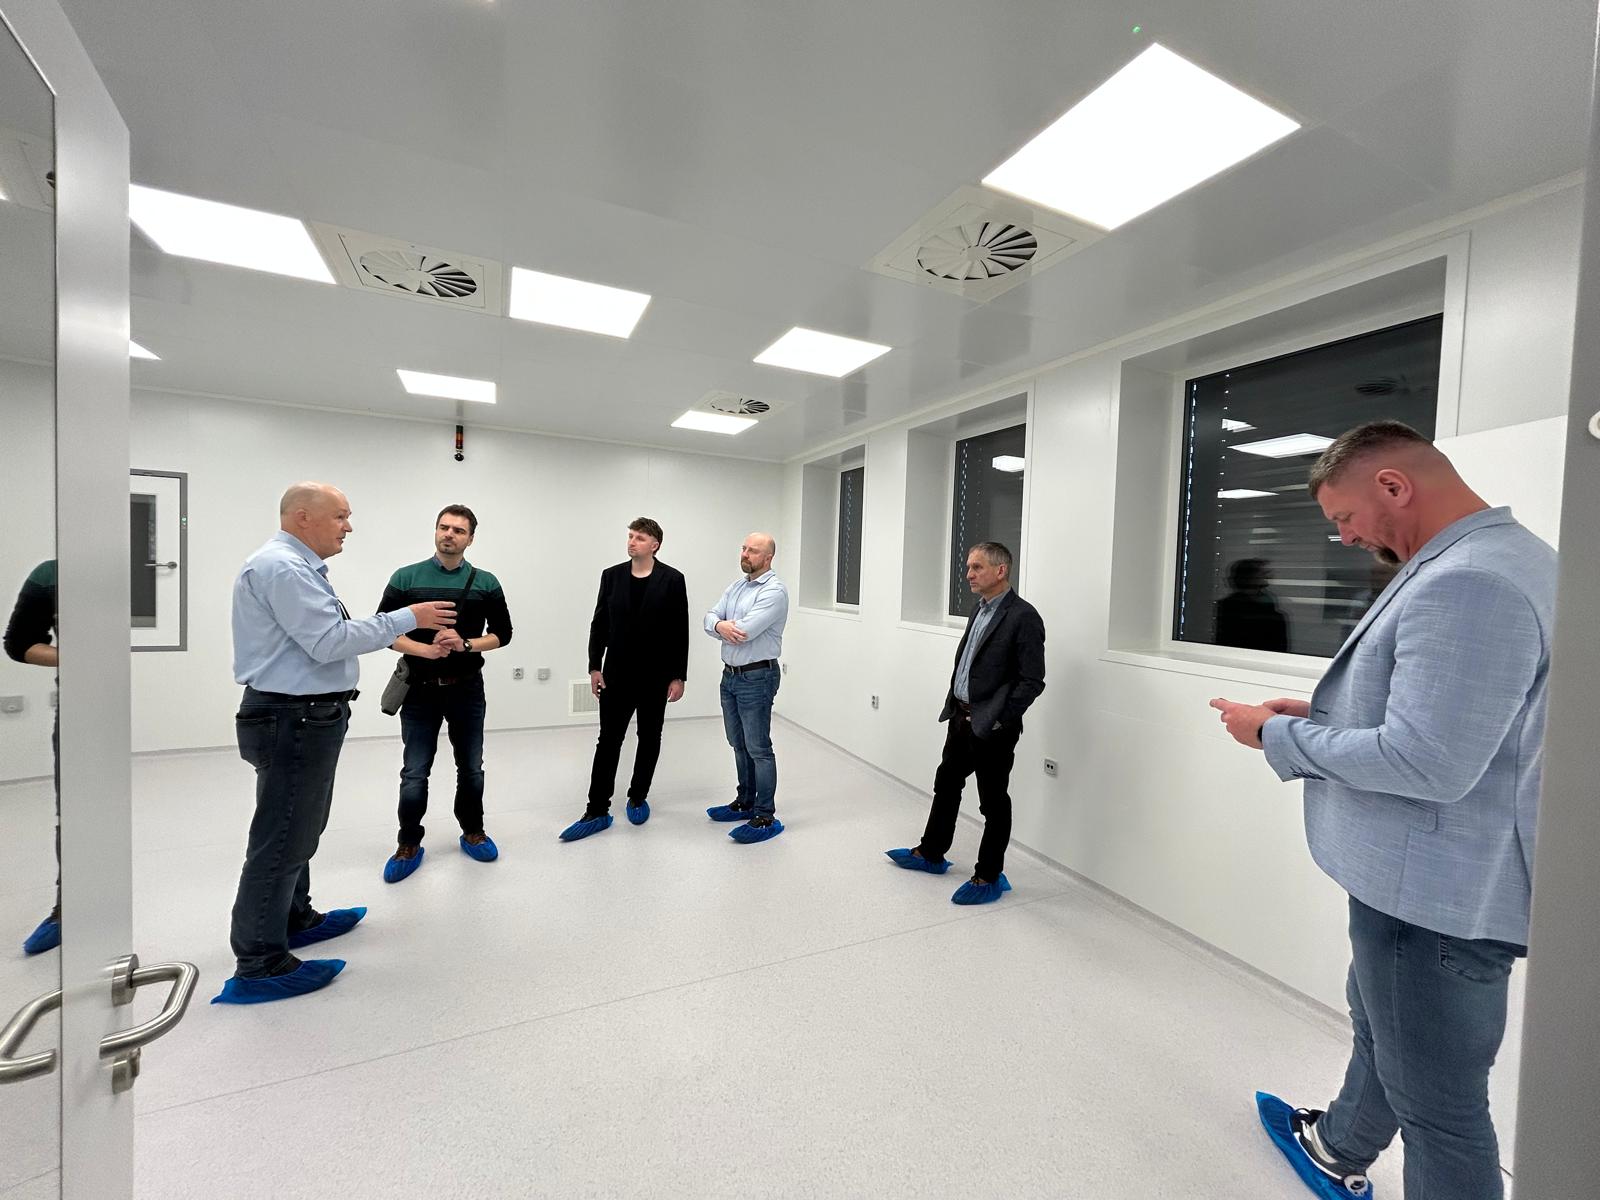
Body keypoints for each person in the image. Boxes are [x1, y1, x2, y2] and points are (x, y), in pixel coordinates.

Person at [1209, 421, 1556, 1200]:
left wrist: (1274, 735)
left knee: (1441, 1112)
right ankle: (1337, 1147)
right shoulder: (1506, 558)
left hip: (1433, 899)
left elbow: (1428, 764)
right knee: (1381, 1027)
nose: (1344, 537)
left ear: (1393, 486)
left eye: (1344, 517)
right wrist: (1322, 714)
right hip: (1430, 887)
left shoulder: (1473, 581)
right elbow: (1466, 729)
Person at [219, 482, 456, 1005]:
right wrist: (409, 618)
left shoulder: (297, 568)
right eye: (341, 517)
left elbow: (326, 636)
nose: (349, 527)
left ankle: (295, 918)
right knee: (283, 836)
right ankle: (259, 963)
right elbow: (328, 643)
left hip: (303, 716)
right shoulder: (282, 568)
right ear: (303, 517)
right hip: (293, 716)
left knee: (298, 828)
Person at [886, 542, 1046, 904]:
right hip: (960, 718)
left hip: (992, 727)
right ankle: (931, 853)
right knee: (946, 784)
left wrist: (1000, 719)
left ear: (1000, 570)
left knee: (993, 802)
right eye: (969, 566)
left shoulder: (1023, 616)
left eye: (977, 567)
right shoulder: (980, 609)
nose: (968, 574)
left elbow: (1032, 680)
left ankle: (988, 876)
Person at [377, 505, 514, 881]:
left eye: (458, 530)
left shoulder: (486, 582)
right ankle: (408, 842)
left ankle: (473, 831)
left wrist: (466, 644)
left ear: (471, 538)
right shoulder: (406, 578)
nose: (449, 534)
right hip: (418, 691)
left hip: (466, 689)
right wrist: (425, 650)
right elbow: (383, 629)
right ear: (436, 531)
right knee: (414, 771)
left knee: (471, 767)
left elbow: (502, 634)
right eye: (444, 527)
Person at [559, 517, 689, 842]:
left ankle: (637, 796)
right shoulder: (612, 576)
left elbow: (679, 631)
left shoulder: (673, 579)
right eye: (630, 536)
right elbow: (599, 623)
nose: (632, 542)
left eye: (640, 538)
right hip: (616, 674)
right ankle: (596, 809)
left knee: (649, 737)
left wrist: (678, 676)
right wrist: (594, 666)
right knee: (608, 740)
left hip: (656, 676)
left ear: (655, 545)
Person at [703, 533, 788, 843]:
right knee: (737, 743)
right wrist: (719, 625)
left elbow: (745, 632)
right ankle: (745, 801)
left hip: (757, 677)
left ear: (767, 558)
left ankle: (765, 816)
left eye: (753, 550)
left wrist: (722, 626)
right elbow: (709, 617)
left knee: (758, 748)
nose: (745, 554)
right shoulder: (737, 586)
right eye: (744, 548)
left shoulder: (774, 591)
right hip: (730, 677)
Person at [4, 559, 61, 955]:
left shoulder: (140, 571)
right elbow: (19, 643)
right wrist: (78, 657)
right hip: (83, 701)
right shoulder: (51, 575)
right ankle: (67, 909)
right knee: (75, 809)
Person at [1215, 557, 1290, 652]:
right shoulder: (1228, 610)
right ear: (1249, 577)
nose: (1269, 576)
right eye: (1262, 573)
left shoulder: (1269, 607)